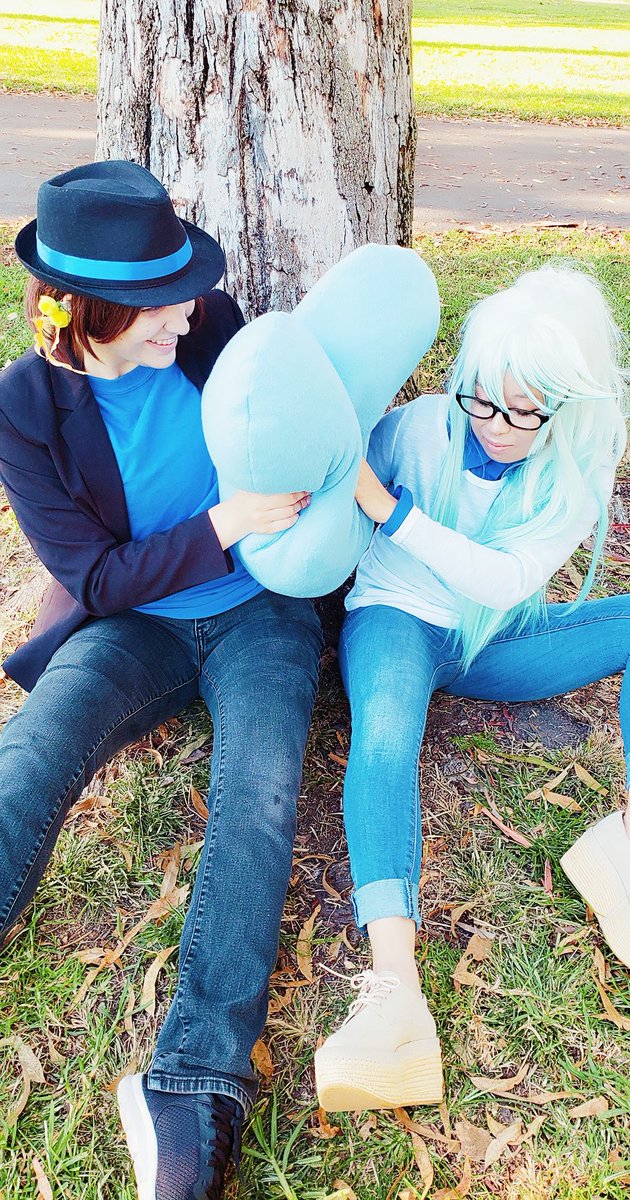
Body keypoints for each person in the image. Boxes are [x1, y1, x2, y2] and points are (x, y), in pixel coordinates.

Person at [0, 161, 322, 1199]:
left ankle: (192, 1086)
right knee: (39, 744)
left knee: (259, 797)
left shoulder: (215, 324)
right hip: (134, 623)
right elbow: (94, 576)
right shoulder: (24, 405)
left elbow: (294, 423)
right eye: (162, 303)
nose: (188, 311)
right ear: (91, 312)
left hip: (265, 609)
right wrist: (221, 524)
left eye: (186, 291)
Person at [314, 264, 629, 1113]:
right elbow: (336, 495)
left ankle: (624, 847)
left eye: (525, 412)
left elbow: (504, 580)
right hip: (395, 617)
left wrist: (394, 511)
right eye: (482, 401)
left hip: (490, 634)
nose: (495, 425)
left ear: (568, 406)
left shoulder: (578, 467)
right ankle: (394, 994)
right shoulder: (421, 425)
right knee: (385, 737)